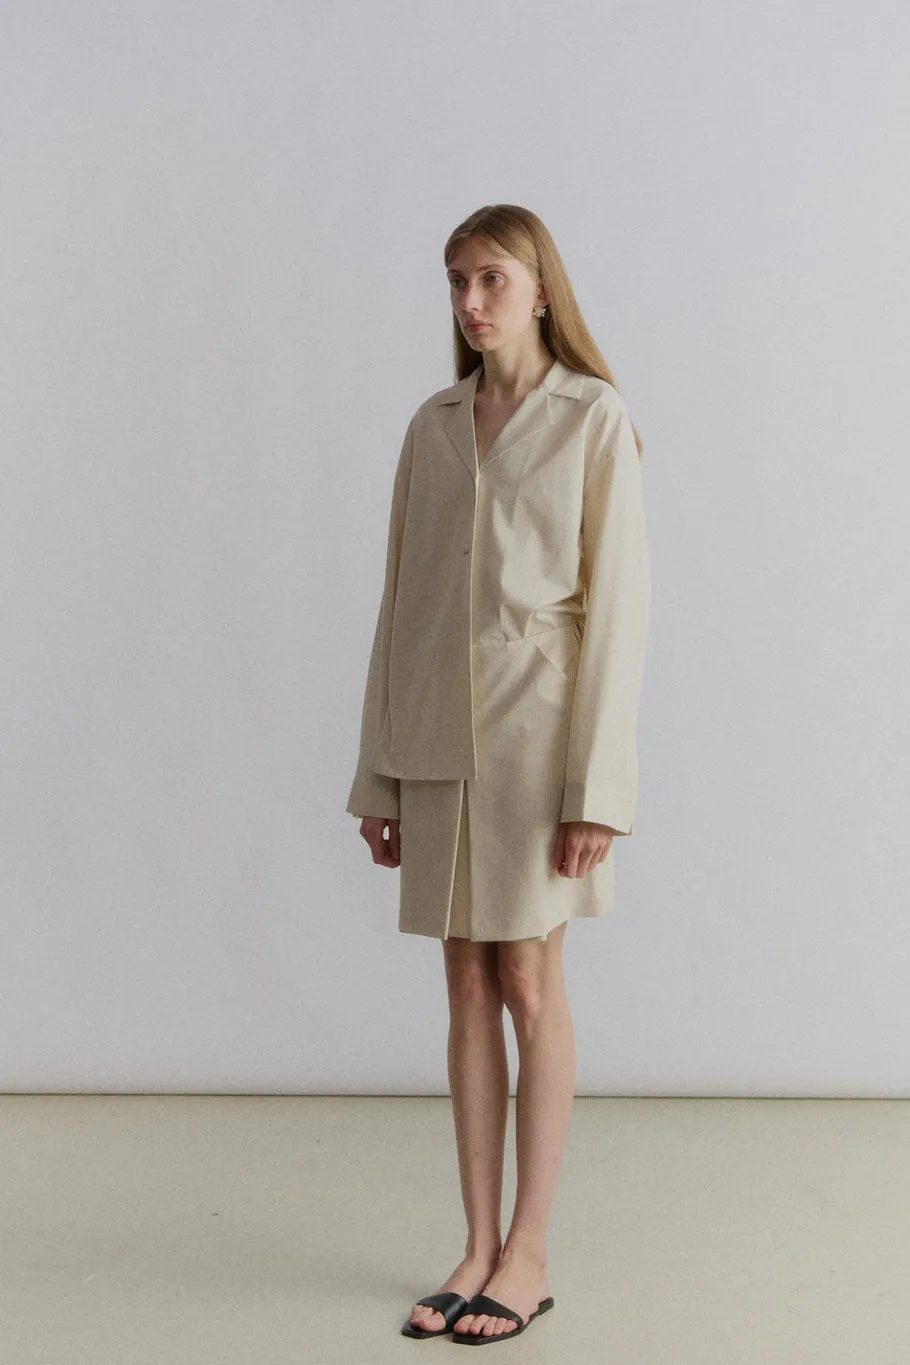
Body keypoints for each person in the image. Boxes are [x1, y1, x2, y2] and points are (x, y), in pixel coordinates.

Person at [345, 204, 651, 1343]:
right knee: (464, 982)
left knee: (527, 973)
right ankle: (475, 1246)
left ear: (539, 288)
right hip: (434, 735)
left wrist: (596, 792)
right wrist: (378, 777)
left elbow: (618, 614)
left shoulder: (592, 416)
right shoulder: (432, 426)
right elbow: (401, 607)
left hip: (540, 737)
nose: (471, 302)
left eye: (491, 279)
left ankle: (530, 1253)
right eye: (456, 281)